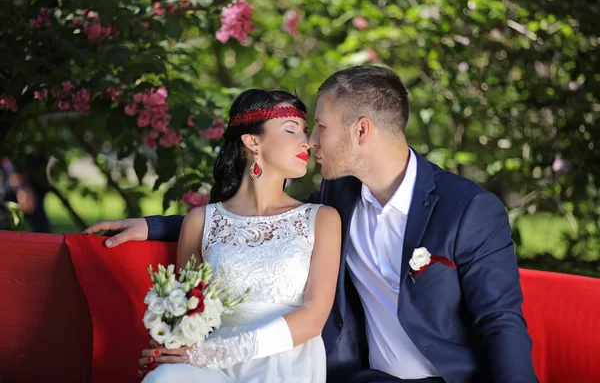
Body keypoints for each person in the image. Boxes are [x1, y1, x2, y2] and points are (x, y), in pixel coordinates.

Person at [86, 66, 538, 383]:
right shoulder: (339, 198)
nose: (312, 140)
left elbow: (500, 322)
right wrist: (154, 226)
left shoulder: (469, 210)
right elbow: (253, 223)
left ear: (362, 131)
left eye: (319, 127)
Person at [136, 89, 340, 382]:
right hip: (210, 365)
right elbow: (187, 317)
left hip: (285, 362)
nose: (306, 142)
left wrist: (219, 352)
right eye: (291, 130)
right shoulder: (200, 222)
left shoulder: (321, 219)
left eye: (305, 132)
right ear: (252, 140)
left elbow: (314, 318)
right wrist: (168, 347)